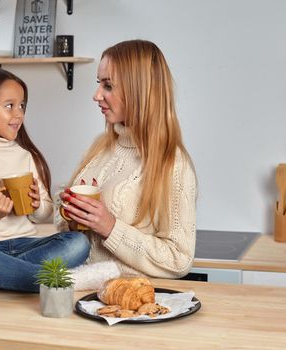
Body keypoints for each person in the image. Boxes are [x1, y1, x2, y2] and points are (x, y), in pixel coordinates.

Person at [0, 66, 90, 301]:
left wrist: (38, 204)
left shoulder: (24, 156)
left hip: (28, 243)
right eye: (9, 106)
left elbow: (45, 215)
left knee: (78, 243)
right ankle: (53, 280)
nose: (18, 114)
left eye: (22, 106)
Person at [60, 39, 197, 280]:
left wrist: (111, 228)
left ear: (138, 91)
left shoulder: (172, 163)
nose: (96, 95)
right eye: (98, 84)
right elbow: (75, 238)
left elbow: (179, 259)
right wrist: (70, 215)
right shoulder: (100, 147)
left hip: (123, 307)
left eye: (108, 86)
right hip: (77, 293)